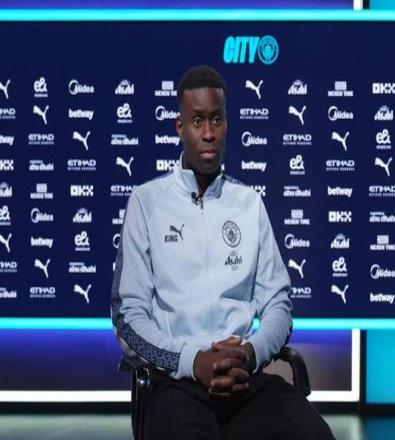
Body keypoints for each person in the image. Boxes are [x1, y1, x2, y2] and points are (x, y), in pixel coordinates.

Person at [111, 65, 334, 440]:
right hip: (178, 383)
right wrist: (193, 360)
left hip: (245, 379)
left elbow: (278, 304)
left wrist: (250, 353)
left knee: (313, 434)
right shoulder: (146, 203)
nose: (209, 133)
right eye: (197, 121)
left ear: (227, 124)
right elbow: (127, 318)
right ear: (180, 127)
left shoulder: (249, 203)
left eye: (216, 119)